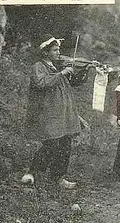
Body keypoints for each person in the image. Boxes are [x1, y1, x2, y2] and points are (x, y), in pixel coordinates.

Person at [21, 36, 93, 189]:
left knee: (65, 145)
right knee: (51, 144)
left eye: (58, 50)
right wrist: (62, 73)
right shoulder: (38, 67)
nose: (58, 53)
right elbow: (42, 83)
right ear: (45, 52)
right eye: (55, 50)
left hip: (63, 114)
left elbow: (72, 83)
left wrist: (85, 70)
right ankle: (33, 173)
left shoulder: (55, 67)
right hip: (48, 113)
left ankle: (58, 178)